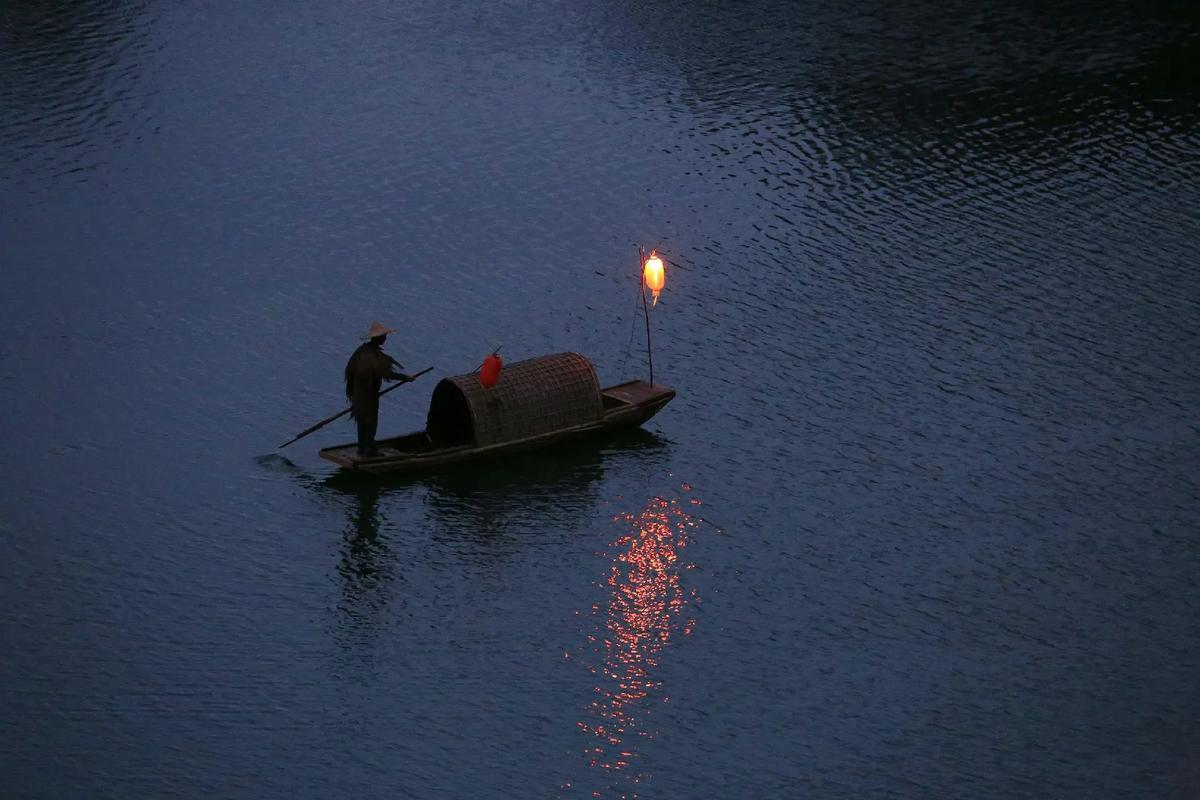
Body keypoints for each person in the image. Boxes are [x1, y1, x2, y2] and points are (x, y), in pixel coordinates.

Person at [344, 321, 412, 457]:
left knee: (363, 422)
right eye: (384, 336)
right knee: (370, 421)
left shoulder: (361, 352)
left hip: (360, 396)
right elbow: (387, 373)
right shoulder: (372, 356)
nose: (385, 339)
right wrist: (405, 378)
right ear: (379, 338)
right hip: (367, 397)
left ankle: (364, 447)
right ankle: (367, 450)